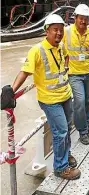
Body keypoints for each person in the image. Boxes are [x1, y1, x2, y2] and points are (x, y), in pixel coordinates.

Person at [9, 14, 81, 180]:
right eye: (55, 30)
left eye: (61, 30)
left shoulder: (61, 47)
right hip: (50, 100)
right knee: (61, 131)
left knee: (66, 128)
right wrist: (11, 91)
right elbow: (25, 71)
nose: (59, 33)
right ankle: (61, 168)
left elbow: (66, 59)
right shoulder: (37, 50)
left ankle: (66, 154)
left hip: (65, 95)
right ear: (46, 31)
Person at [63, 4, 89, 146]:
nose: (83, 22)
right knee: (79, 102)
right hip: (74, 74)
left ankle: (88, 123)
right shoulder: (66, 32)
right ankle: (82, 131)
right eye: (81, 19)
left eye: (86, 19)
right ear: (75, 18)